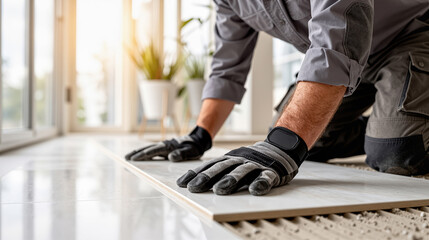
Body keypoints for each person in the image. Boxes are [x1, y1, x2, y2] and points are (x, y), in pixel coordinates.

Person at [126, 0, 429, 196]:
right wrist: (199, 136)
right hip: (352, 63)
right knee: (306, 143)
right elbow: (227, 67)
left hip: (410, 35)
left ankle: (400, 128)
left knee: (397, 152)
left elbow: (339, 28)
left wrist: (286, 143)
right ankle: (393, 121)